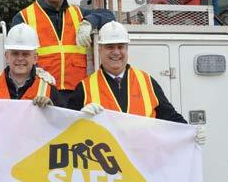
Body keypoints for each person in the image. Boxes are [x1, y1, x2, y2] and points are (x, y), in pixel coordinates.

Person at [68, 21, 205, 144]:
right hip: (105, 168)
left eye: (121, 46)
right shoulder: (85, 88)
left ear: (127, 49)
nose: (116, 52)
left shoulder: (147, 82)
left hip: (143, 166)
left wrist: (190, 132)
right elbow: (66, 130)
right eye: (110, 47)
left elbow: (169, 117)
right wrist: (79, 118)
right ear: (100, 49)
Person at [11, 0, 115, 98]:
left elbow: (109, 15)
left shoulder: (79, 14)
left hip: (77, 95)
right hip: (40, 92)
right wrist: (35, 71)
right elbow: (15, 56)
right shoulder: (23, 17)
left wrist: (89, 22)